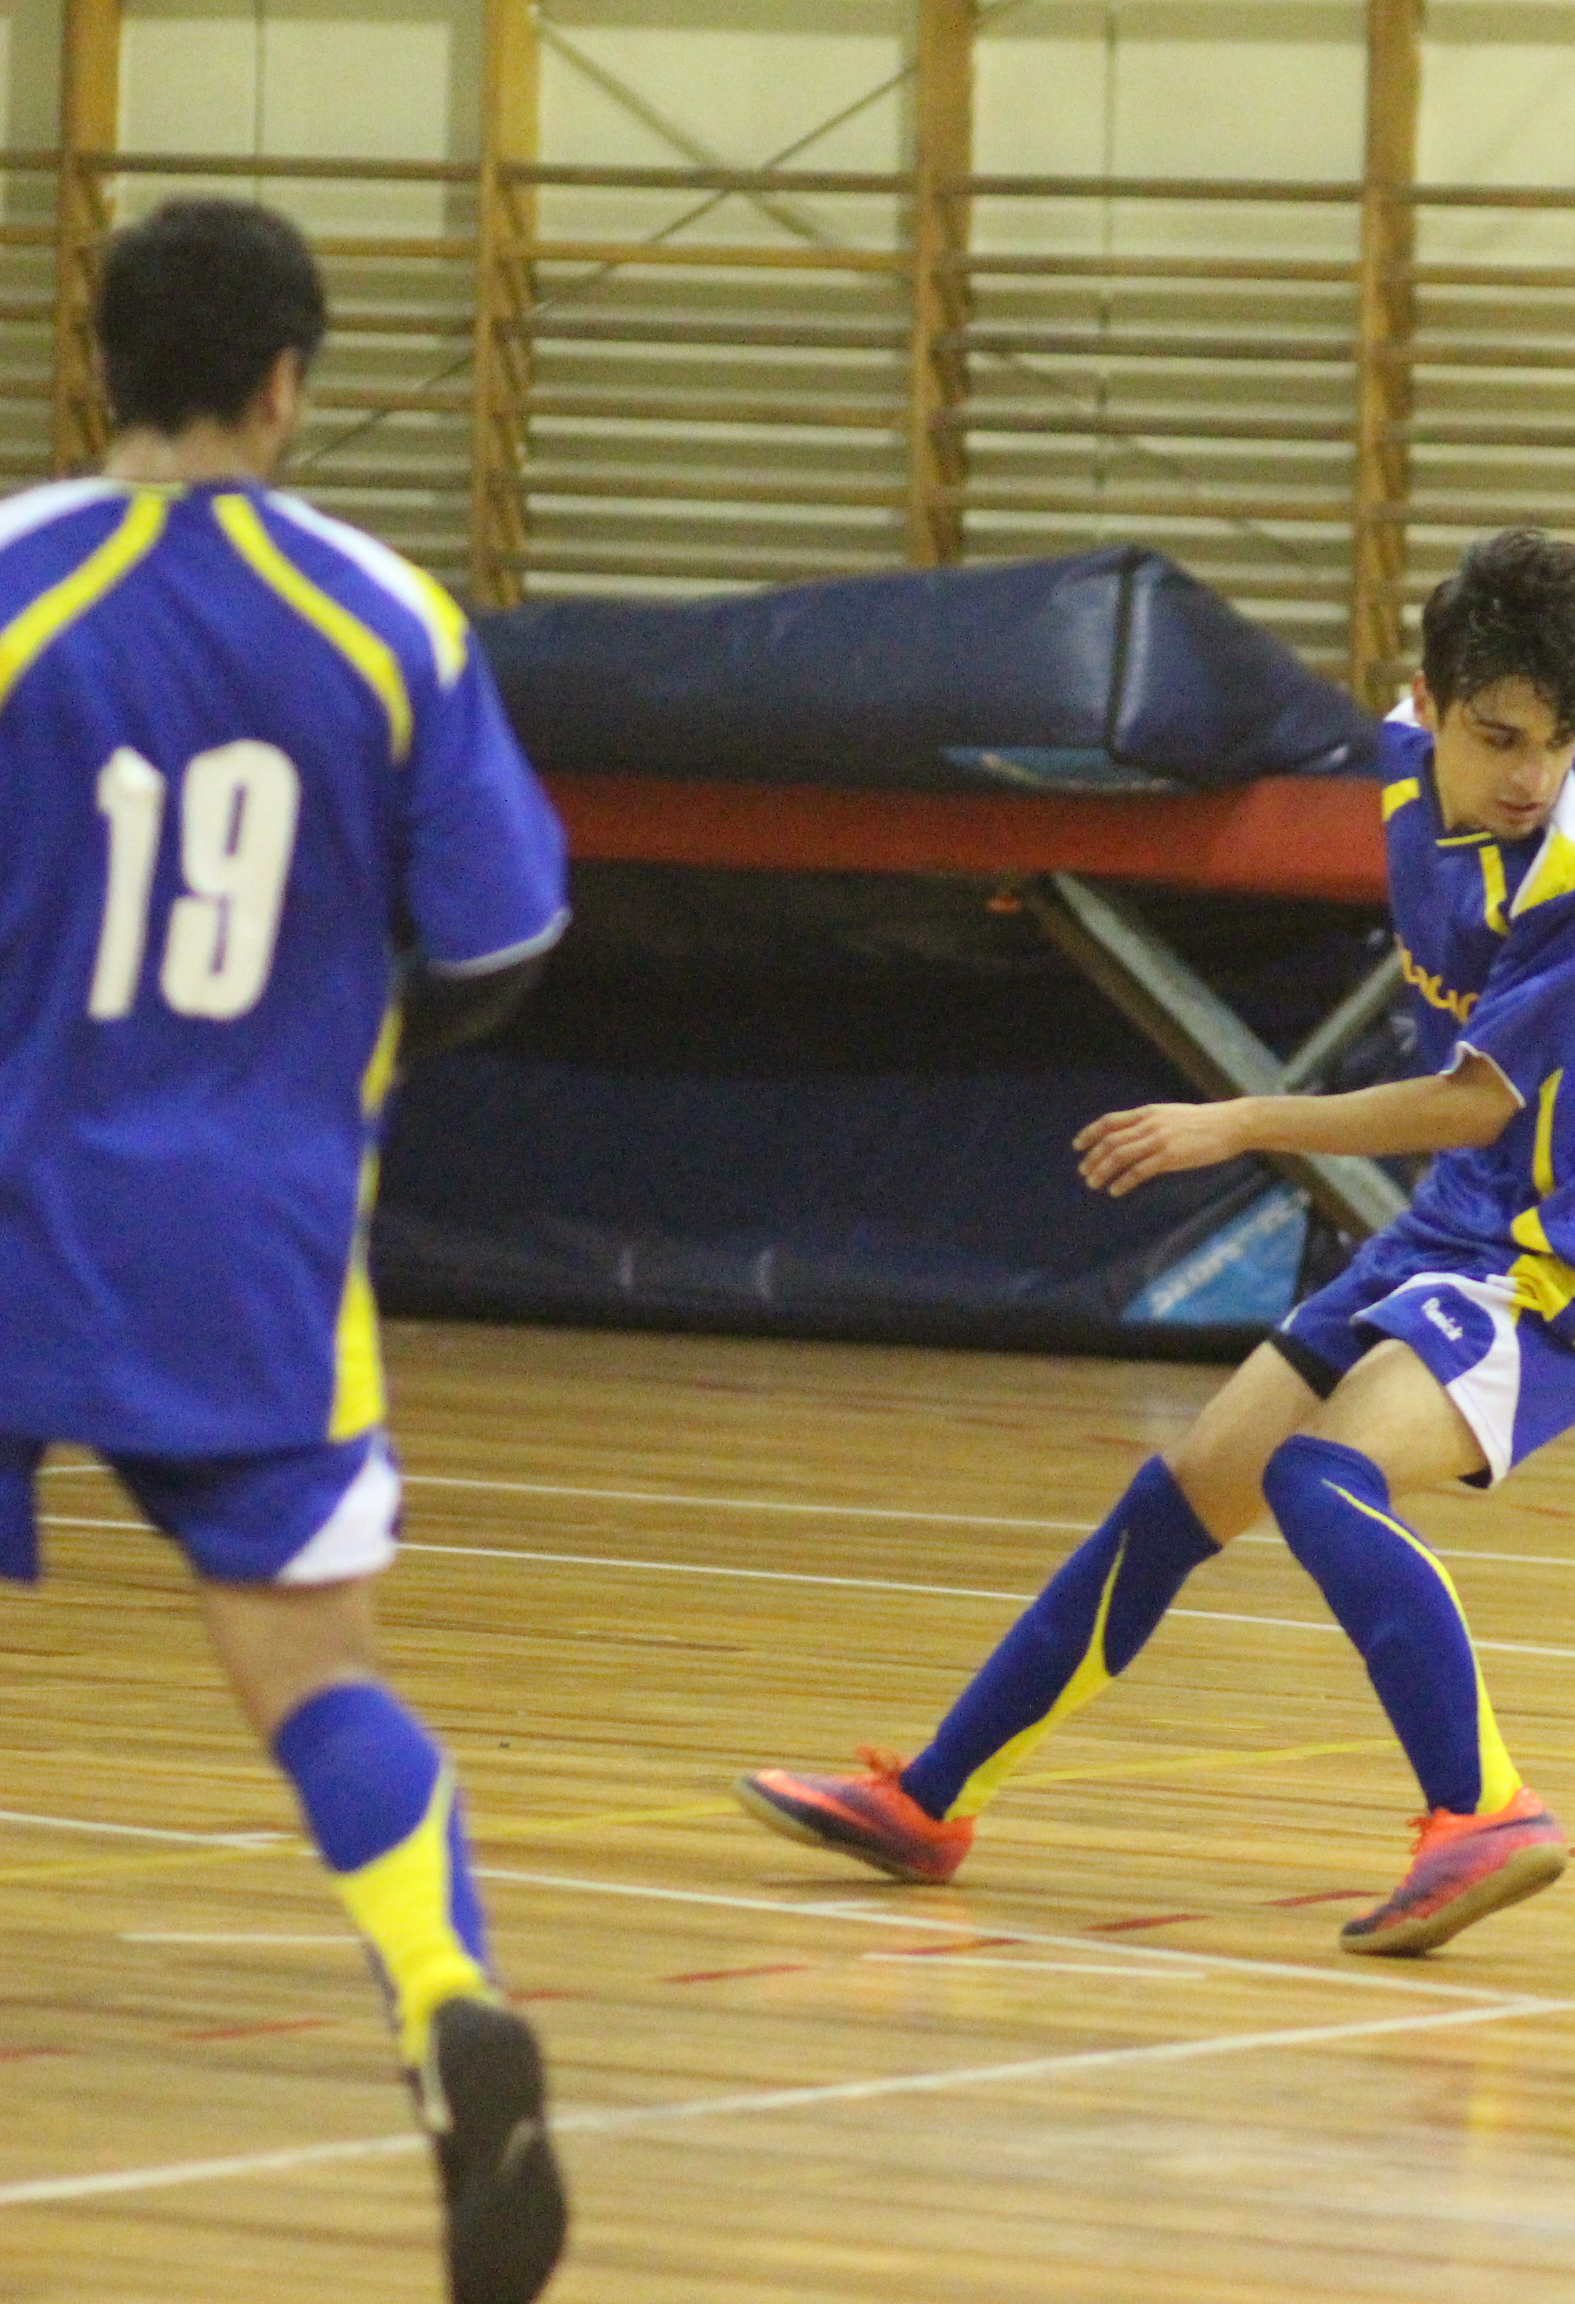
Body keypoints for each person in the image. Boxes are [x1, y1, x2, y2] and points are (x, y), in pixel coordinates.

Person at [736, 529, 1575, 1956]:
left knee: (1320, 1476)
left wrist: (1236, 1121)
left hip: (1560, 1258)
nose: (1529, 777)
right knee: (1181, 1498)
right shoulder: (1399, 761)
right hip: (1449, 1228)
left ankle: (1483, 1811)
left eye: (1555, 743)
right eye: (1499, 738)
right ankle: (931, 1803)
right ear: (1430, 706)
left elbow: (1469, 1104)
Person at [0, 202, 571, 2301]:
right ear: (284, 383)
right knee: (315, 1675)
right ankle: (444, 1996)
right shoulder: (385, 619)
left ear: (102, 366)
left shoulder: (11, 583)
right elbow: (504, 941)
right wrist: (319, 1039)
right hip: (252, 1235)